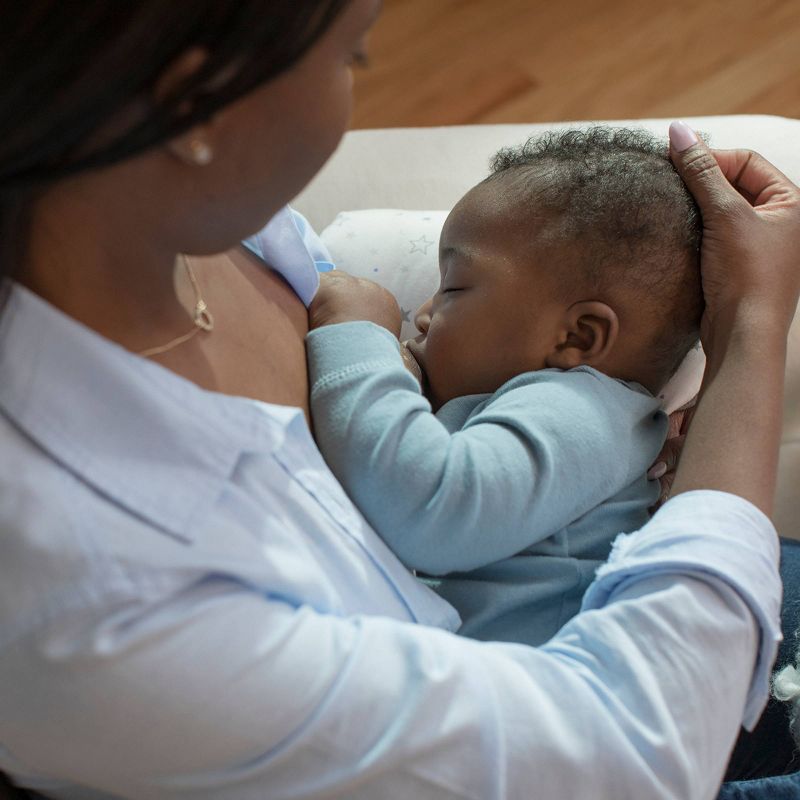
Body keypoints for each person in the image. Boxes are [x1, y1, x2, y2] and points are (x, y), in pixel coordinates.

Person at [0, 2, 799, 798]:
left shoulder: (578, 405)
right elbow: (629, 752)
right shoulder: (93, 597)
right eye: (354, 56)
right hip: (613, 711)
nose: (420, 314)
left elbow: (436, 462)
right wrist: (751, 328)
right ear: (193, 101)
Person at [306, 125, 704, 647]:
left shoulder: (584, 409)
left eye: (454, 288)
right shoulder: (542, 409)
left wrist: (358, 338)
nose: (423, 314)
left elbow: (434, 510)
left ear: (577, 336)